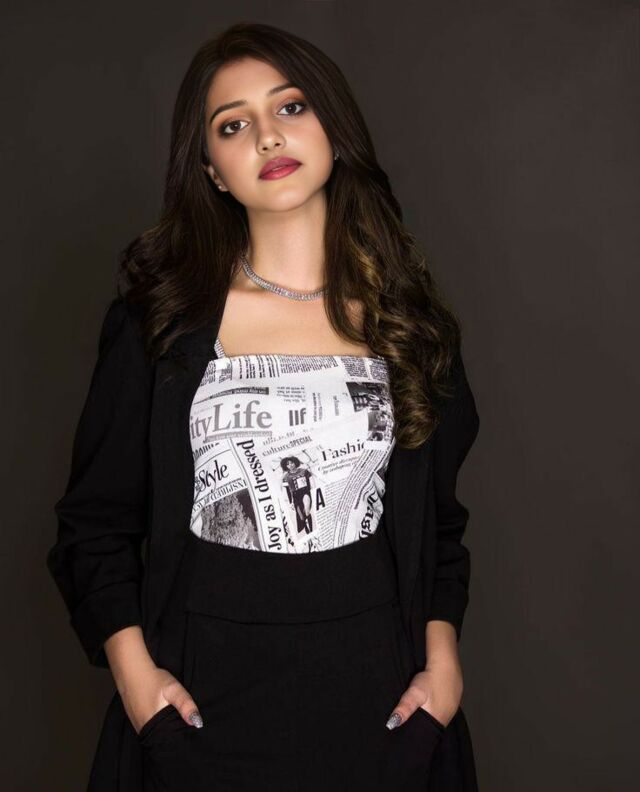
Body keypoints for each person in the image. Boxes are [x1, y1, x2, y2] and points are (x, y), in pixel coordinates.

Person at [47, 21, 481, 792]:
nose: (267, 136)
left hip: (379, 702)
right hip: (200, 706)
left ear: (334, 130)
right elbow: (94, 528)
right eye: (233, 125)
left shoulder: (407, 324)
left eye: (291, 107)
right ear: (211, 171)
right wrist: (139, 685)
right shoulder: (161, 327)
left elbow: (439, 529)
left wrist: (441, 666)